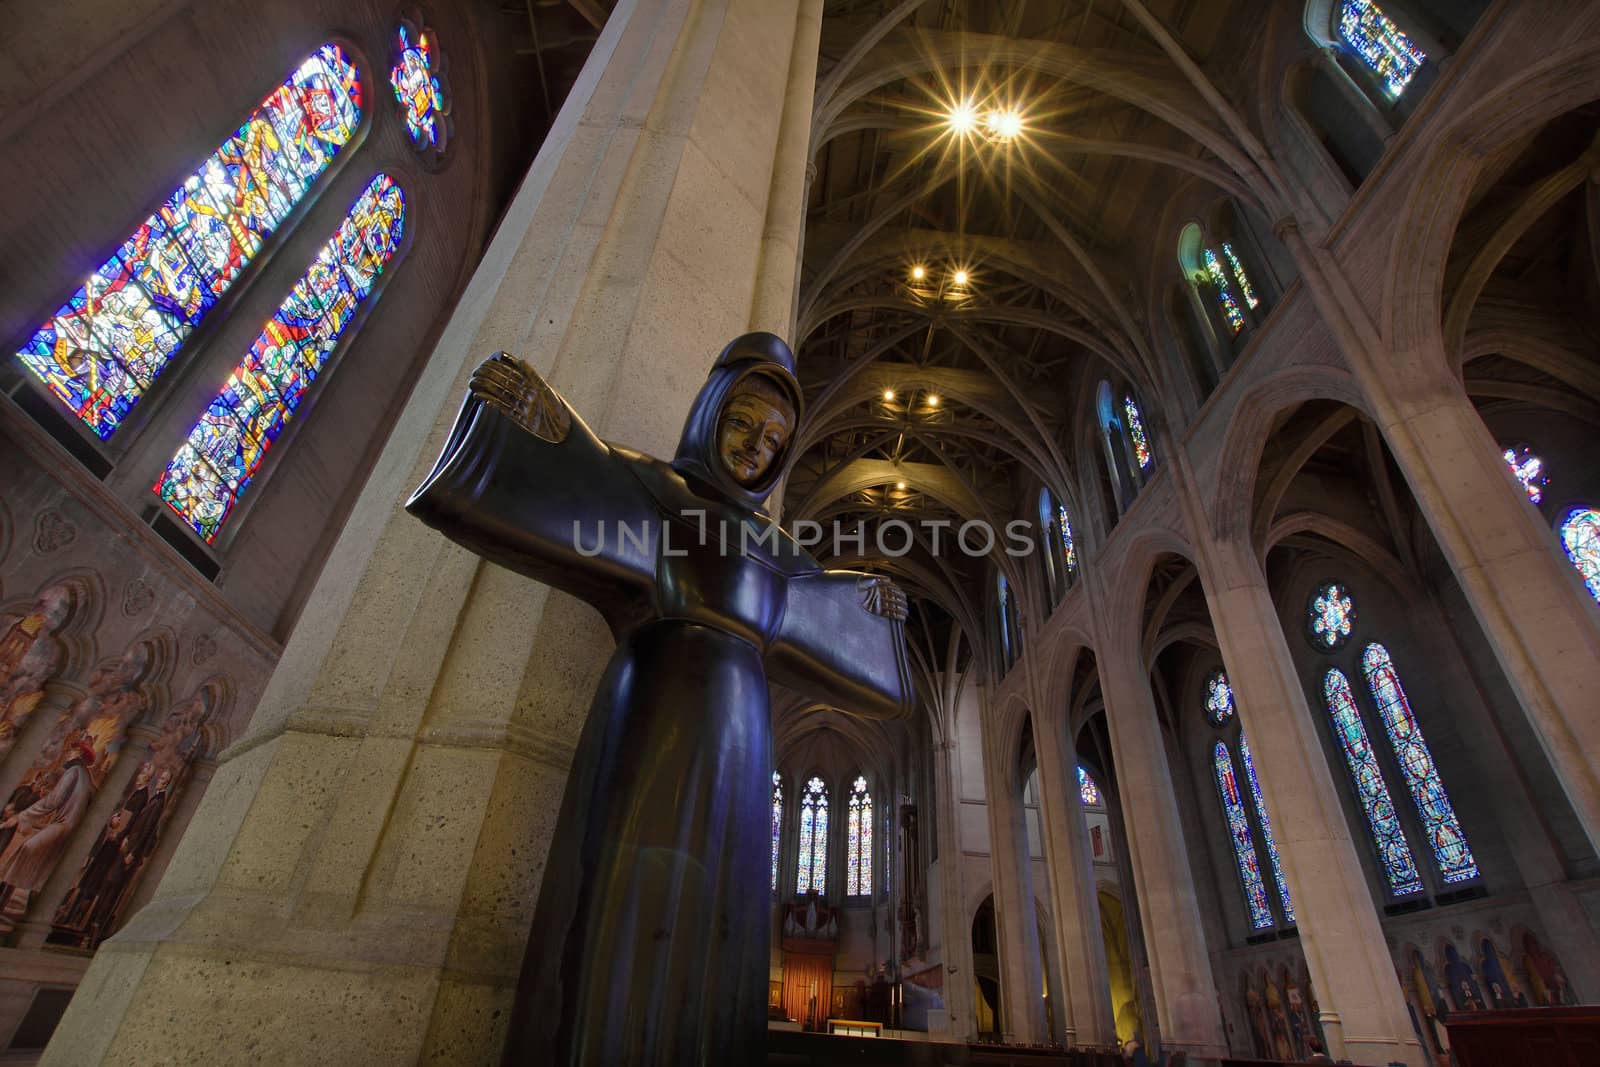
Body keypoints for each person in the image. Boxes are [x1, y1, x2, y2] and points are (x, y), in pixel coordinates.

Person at [407, 333, 914, 1066]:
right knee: (625, 901)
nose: (754, 447)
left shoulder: (779, 549)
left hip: (743, 745)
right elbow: (574, 469)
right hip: (653, 716)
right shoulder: (653, 490)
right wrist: (533, 417)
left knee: (721, 922)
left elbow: (836, 616)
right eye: (742, 421)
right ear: (711, 410)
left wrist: (879, 606)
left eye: (774, 438)